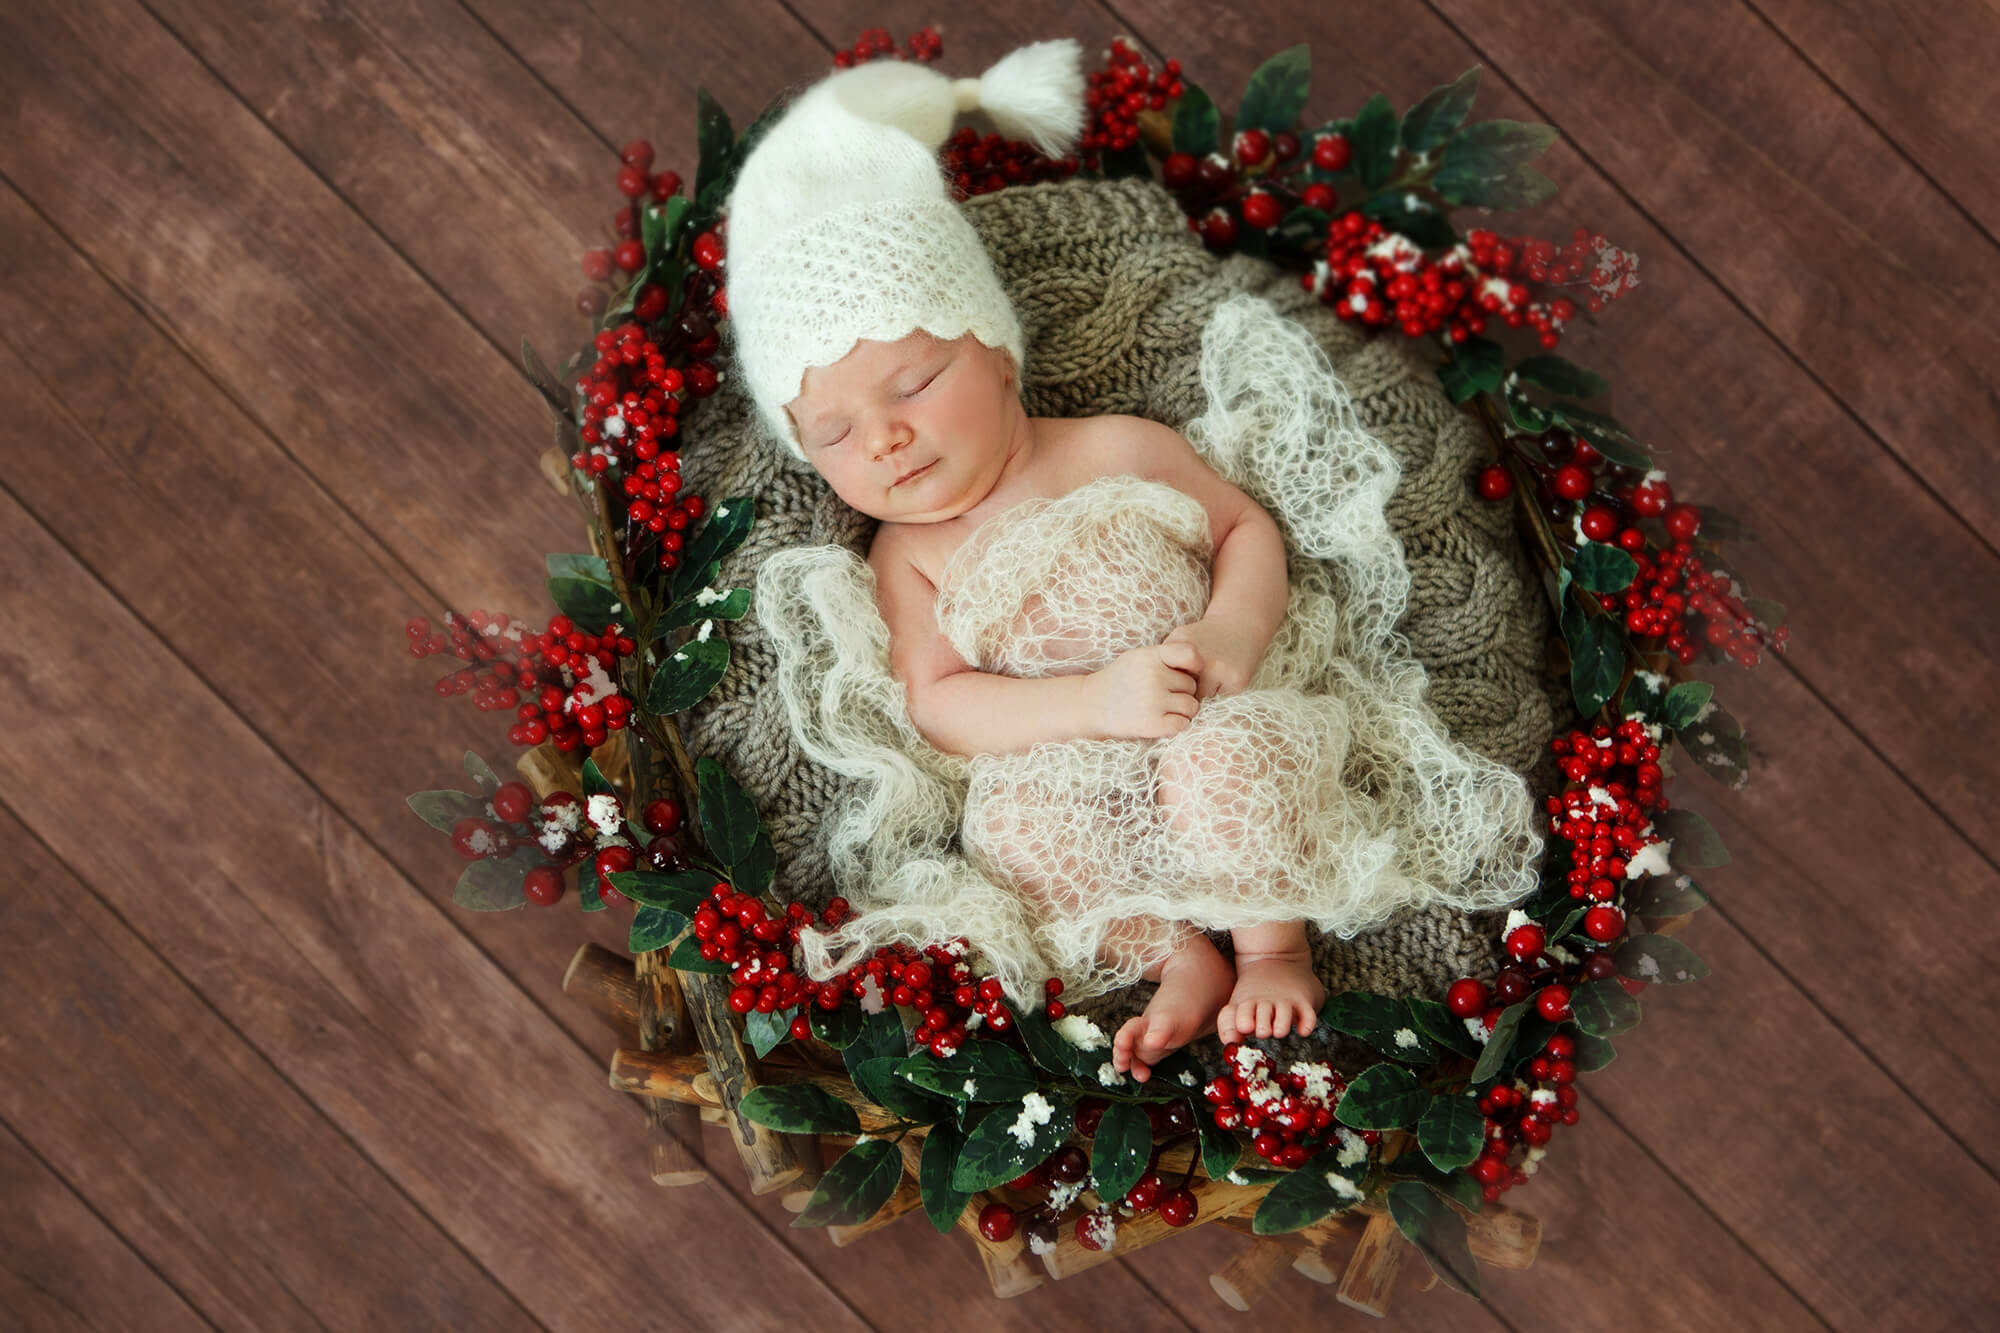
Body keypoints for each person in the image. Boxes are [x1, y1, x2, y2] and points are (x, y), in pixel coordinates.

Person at [725, 40, 1541, 1081]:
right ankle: (1172, 955)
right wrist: (1090, 703)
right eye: (832, 435)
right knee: (1013, 839)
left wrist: (1232, 632)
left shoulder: (1112, 447)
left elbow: (1244, 531)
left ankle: (1270, 947)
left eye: (914, 381)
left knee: (1232, 764)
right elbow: (939, 704)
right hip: (1065, 754)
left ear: (999, 353)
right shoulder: (906, 555)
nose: (881, 436)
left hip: (1207, 703)